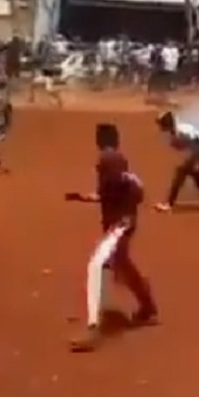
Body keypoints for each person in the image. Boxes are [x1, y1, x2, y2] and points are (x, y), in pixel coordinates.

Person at [68, 123, 157, 353]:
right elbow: (121, 189)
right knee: (123, 265)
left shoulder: (108, 160)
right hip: (122, 222)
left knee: (96, 265)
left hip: (120, 224)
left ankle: (93, 327)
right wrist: (85, 198)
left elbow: (125, 187)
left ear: (99, 140)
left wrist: (126, 211)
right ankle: (147, 306)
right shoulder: (115, 159)